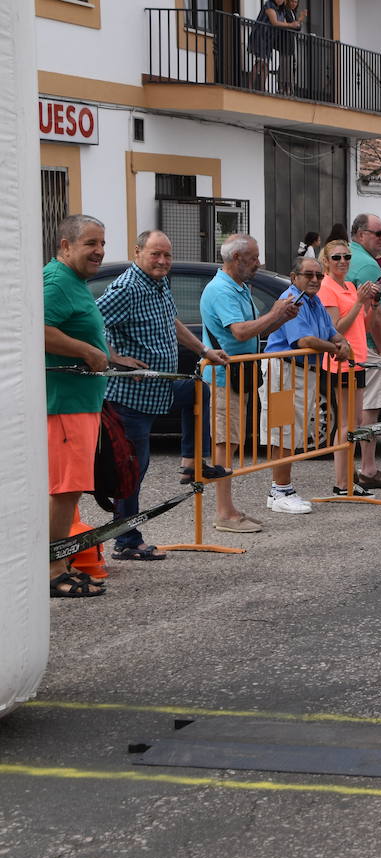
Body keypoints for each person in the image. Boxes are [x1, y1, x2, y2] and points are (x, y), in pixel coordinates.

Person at [97, 229, 230, 561]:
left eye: (167, 255)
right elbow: (93, 321)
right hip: (130, 399)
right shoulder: (127, 288)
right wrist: (113, 357)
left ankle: (191, 464)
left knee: (197, 390)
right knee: (132, 473)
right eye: (155, 254)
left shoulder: (158, 284)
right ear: (137, 252)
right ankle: (126, 541)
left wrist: (204, 350)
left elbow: (172, 322)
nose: (162, 260)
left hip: (160, 389)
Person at [200, 234, 299, 532]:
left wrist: (280, 319)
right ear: (236, 258)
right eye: (253, 258)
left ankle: (228, 509)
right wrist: (275, 313)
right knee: (224, 442)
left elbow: (253, 331)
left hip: (238, 374)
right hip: (223, 377)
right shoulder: (221, 290)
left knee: (231, 441)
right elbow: (241, 332)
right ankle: (223, 513)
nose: (259, 262)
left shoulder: (239, 287)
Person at [44, 215, 112, 597]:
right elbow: (35, 329)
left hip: (79, 403)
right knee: (64, 490)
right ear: (66, 246)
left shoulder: (74, 281)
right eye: (90, 243)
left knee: (70, 489)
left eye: (102, 243)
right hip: (64, 404)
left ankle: (60, 562)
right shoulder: (57, 282)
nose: (99, 251)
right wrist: (86, 351)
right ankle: (52, 570)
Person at [258, 257, 351, 512]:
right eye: (308, 274)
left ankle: (281, 489)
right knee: (282, 432)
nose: (315, 280)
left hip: (301, 371)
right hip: (284, 371)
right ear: (294, 277)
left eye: (319, 275)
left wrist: (342, 342)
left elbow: (330, 330)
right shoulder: (291, 300)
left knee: (292, 431)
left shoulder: (314, 300)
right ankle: (280, 490)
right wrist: (336, 348)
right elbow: (304, 340)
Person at [317, 239, 381, 495]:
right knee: (346, 423)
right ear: (326, 261)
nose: (343, 261)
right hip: (341, 362)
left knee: (354, 422)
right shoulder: (327, 287)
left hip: (356, 359)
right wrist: (358, 302)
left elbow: (362, 327)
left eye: (346, 257)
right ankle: (342, 483)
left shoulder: (349, 285)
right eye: (337, 257)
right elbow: (335, 329)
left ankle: (347, 479)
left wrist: (372, 303)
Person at [347, 213, 381, 489]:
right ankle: (367, 467)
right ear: (360, 234)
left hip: (361, 346)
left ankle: (355, 469)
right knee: (370, 409)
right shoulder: (367, 265)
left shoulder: (354, 258)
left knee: (361, 408)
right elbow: (372, 310)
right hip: (371, 347)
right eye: (378, 233)